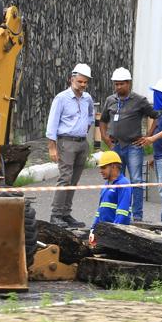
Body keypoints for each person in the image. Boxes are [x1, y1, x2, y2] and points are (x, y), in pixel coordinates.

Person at [100, 67, 156, 222]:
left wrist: (149, 137)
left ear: (129, 83)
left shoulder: (140, 100)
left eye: (121, 84)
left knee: (136, 180)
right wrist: (105, 138)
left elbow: (156, 116)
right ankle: (117, 213)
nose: (118, 87)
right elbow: (103, 120)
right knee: (116, 180)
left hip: (133, 147)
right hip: (116, 146)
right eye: (116, 84)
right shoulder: (110, 100)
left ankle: (137, 216)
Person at [45, 63, 96, 228]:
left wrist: (84, 129)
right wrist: (52, 147)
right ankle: (56, 215)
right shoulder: (61, 98)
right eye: (80, 81)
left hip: (81, 143)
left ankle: (66, 214)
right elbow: (52, 124)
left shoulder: (87, 98)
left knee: (74, 180)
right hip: (66, 142)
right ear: (71, 79)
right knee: (65, 178)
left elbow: (90, 116)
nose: (82, 85)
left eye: (85, 82)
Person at [136, 78, 162, 222]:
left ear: (161, 95)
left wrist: (152, 139)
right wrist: (154, 156)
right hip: (161, 156)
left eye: (156, 94)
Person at [89, 150, 132, 244]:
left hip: (116, 234)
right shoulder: (106, 185)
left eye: (103, 167)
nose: (100, 171)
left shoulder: (124, 184)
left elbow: (122, 212)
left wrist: (114, 232)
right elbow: (99, 211)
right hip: (105, 231)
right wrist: (93, 229)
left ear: (113, 166)